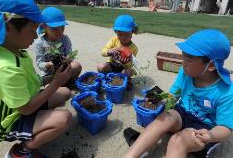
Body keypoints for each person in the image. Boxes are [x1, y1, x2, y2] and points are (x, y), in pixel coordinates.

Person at [124, 29, 233, 158]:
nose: (183, 62)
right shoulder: (186, 73)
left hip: (205, 128)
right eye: (183, 56)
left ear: (211, 66)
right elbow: (173, 96)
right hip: (183, 114)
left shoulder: (226, 92)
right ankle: (130, 155)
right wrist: (160, 97)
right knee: (165, 117)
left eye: (188, 59)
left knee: (177, 141)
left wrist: (211, 136)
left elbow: (225, 127)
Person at [0, 0, 74, 158]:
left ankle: (40, 124)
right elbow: (25, 109)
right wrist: (56, 82)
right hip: (10, 120)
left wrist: (53, 77)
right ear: (8, 27)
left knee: (65, 92)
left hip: (27, 100)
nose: (36, 37)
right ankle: (22, 150)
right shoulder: (6, 68)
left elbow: (34, 81)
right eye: (32, 30)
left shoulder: (16, 50)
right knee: (64, 119)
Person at [34, 6, 82, 88]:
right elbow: (39, 64)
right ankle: (59, 84)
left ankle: (70, 82)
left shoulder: (64, 39)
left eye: (62, 28)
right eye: (55, 29)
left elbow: (70, 54)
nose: (60, 32)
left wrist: (68, 59)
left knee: (76, 66)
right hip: (50, 74)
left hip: (65, 69)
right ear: (44, 26)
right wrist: (48, 64)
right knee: (49, 89)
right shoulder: (40, 43)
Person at [97, 14, 138, 89]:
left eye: (126, 34)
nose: (123, 37)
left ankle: (126, 81)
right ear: (116, 32)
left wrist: (126, 62)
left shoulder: (134, 48)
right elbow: (103, 51)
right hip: (112, 66)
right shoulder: (113, 40)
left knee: (127, 72)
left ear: (132, 32)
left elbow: (132, 63)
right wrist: (109, 51)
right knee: (101, 67)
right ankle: (109, 78)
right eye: (120, 34)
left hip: (124, 68)